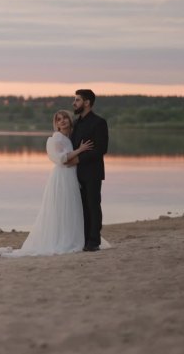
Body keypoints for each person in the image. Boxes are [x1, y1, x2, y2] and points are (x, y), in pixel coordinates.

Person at [4, 110, 94, 257]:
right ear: (56, 124)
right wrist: (80, 150)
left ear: (70, 120)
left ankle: (74, 237)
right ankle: (62, 239)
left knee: (71, 207)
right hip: (62, 177)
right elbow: (61, 159)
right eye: (59, 120)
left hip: (71, 176)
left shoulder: (70, 137)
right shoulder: (56, 139)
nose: (63, 121)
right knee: (62, 207)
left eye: (65, 118)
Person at [70, 89, 109, 252]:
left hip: (93, 172)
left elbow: (101, 149)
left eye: (77, 100)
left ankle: (94, 241)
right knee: (82, 207)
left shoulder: (99, 122)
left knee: (93, 205)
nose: (74, 103)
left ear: (87, 103)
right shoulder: (76, 123)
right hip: (76, 173)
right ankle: (85, 239)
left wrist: (79, 158)